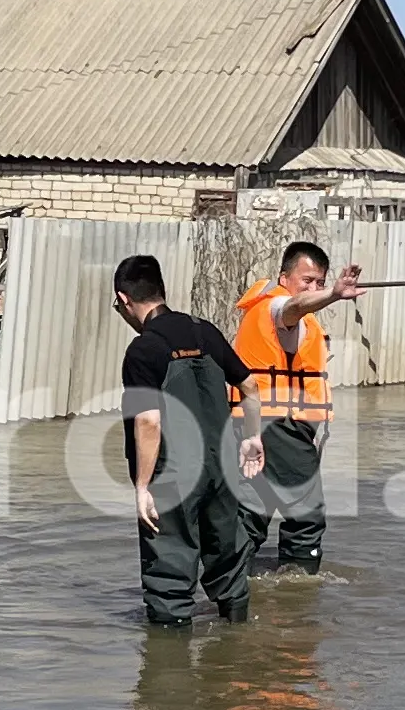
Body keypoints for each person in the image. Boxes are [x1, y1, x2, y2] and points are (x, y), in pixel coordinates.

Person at [112, 253, 261, 628]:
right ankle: (237, 659)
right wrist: (252, 438)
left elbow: (148, 421)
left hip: (174, 479)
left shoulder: (144, 349)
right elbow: (250, 385)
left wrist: (143, 487)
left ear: (124, 299)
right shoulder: (204, 331)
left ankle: (169, 674)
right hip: (222, 469)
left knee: (170, 577)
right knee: (229, 563)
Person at [231, 239, 361, 576]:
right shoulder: (279, 309)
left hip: (254, 424)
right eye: (307, 280)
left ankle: (232, 582)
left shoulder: (263, 310)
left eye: (320, 281)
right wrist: (332, 294)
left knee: (255, 510)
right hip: (280, 426)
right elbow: (295, 306)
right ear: (284, 277)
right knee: (306, 516)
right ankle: (298, 593)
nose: (313, 288)